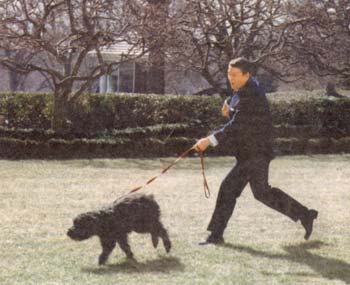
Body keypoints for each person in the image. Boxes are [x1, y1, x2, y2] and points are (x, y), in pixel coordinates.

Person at [193, 57, 318, 245]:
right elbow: (238, 103)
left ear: (246, 75)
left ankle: (215, 235)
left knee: (228, 189)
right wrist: (229, 106)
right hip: (252, 153)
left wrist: (209, 140)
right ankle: (305, 214)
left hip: (255, 154)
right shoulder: (248, 88)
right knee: (262, 192)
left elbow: (238, 124)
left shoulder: (252, 94)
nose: (230, 78)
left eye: (235, 75)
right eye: (229, 74)